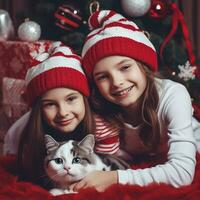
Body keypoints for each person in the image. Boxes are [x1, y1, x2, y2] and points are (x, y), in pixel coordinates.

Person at [70, 10, 199, 192]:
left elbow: (182, 173)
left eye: (125, 67)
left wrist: (114, 178)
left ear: (143, 66)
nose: (117, 82)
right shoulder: (98, 106)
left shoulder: (173, 95)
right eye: (103, 77)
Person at [4, 42, 119, 187]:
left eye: (71, 99)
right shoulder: (25, 133)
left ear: (85, 98)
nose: (63, 113)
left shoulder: (102, 125)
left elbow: (109, 168)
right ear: (38, 109)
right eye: (50, 104)